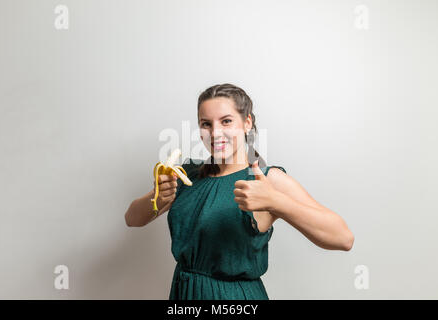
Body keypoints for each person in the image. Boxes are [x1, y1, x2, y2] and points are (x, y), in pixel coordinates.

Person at [124, 83, 354, 299]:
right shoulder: (187, 174)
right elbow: (132, 219)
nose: (215, 133)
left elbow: (343, 238)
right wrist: (156, 197)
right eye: (206, 124)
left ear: (247, 123)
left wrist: (276, 202)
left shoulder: (266, 179)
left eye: (226, 121)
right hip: (185, 292)